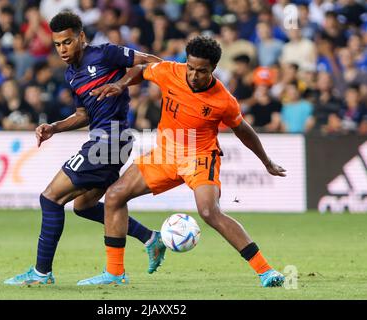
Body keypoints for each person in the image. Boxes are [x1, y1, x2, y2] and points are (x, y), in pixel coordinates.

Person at [78, 36, 287, 287]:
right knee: (114, 196)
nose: (194, 75)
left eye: (202, 71)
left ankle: (266, 271)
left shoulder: (223, 100)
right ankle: (114, 273)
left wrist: (266, 162)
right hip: (165, 154)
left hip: (199, 157)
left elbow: (243, 130)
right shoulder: (170, 71)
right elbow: (142, 71)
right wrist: (122, 84)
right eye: (190, 67)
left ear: (213, 70)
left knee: (209, 211)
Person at [4, 11, 164, 286]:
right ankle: (150, 238)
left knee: (50, 198)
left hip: (110, 139)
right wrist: (54, 127)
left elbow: (154, 63)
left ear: (81, 37)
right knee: (84, 205)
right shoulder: (72, 73)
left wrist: (121, 83)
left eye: (67, 42)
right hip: (107, 140)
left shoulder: (105, 53)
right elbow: (83, 114)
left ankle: (42, 273)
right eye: (57, 44)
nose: (62, 49)